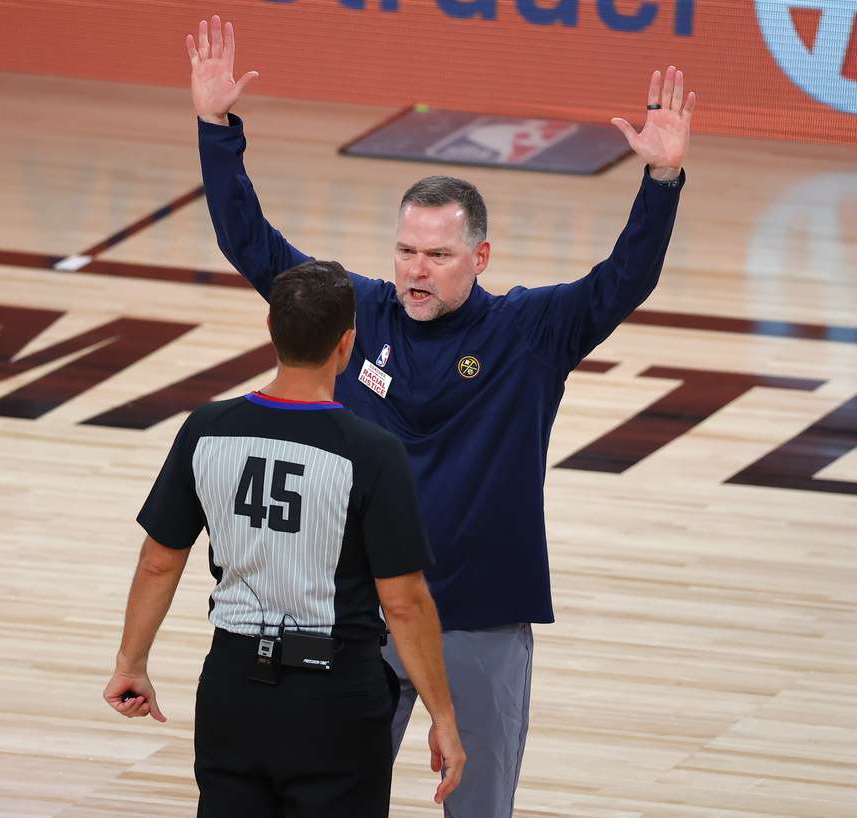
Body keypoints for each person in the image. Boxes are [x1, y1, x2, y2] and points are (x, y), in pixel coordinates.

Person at [186, 15, 694, 817]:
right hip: (359, 616)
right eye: (407, 252)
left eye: (439, 255)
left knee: (479, 810)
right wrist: (216, 129)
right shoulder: (352, 313)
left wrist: (660, 182)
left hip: (481, 618)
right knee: (334, 804)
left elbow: (623, 279)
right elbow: (251, 244)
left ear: (480, 258)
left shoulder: (531, 330)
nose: (417, 271)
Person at [102, 260, 466, 817]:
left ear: (271, 327)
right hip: (335, 697)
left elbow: (158, 562)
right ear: (347, 344)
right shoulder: (370, 452)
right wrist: (442, 716)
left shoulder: (205, 428)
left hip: (231, 687)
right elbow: (403, 602)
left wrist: (131, 663)